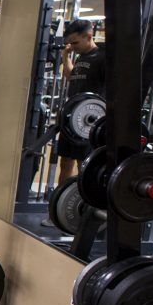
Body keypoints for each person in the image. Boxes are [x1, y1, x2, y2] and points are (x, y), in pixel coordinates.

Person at [57, 18, 105, 183]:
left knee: (83, 164)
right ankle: (59, 200)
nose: (73, 47)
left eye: (75, 43)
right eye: (70, 43)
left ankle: (81, 201)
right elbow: (71, 76)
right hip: (71, 117)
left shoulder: (102, 58)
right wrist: (65, 56)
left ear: (89, 36)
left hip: (87, 122)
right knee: (65, 162)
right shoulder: (80, 57)